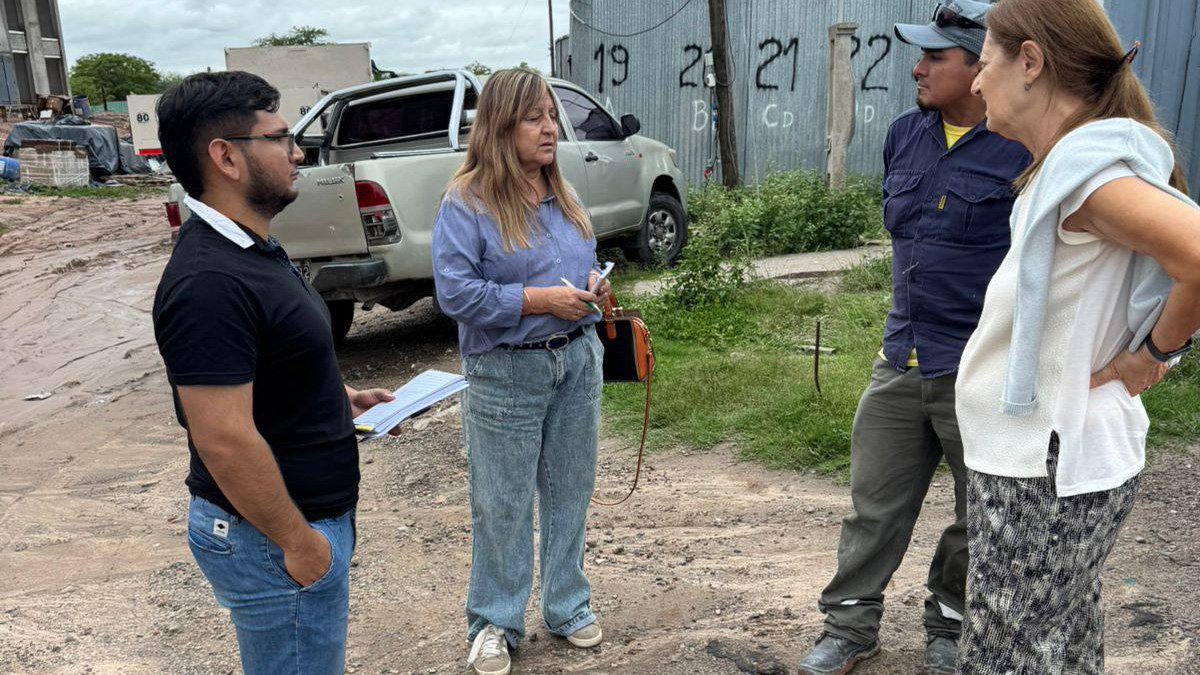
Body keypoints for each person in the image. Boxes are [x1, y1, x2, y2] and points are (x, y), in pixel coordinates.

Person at [955, 0, 1200, 671]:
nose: (974, 84)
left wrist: (1156, 355)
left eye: (983, 64)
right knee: (1057, 641)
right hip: (1053, 461)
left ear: (1030, 62)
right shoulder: (1073, 168)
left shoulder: (1085, 175)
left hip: (1047, 467)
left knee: (1014, 656)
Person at [797, 3, 1030, 675]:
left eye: (935, 58)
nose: (917, 67)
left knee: (976, 511)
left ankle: (950, 624)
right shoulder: (904, 133)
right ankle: (849, 626)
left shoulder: (1022, 147)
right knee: (874, 505)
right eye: (920, 56)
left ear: (977, 67)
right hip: (901, 357)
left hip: (979, 369)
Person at [152, 71, 400, 675]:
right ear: (226, 157)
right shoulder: (210, 281)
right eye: (281, 137)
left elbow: (273, 359)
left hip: (292, 527)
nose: (297, 153)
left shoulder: (253, 247)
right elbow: (223, 438)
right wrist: (298, 543)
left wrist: (338, 397)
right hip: (271, 537)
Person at [432, 68, 613, 675]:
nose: (550, 128)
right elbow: (455, 294)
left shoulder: (563, 192)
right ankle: (493, 622)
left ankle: (566, 606)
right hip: (505, 371)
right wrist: (540, 300)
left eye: (552, 116)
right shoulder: (468, 201)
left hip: (577, 359)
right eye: (535, 118)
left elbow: (578, 269)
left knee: (569, 492)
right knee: (502, 503)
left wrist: (593, 291)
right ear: (501, 125)